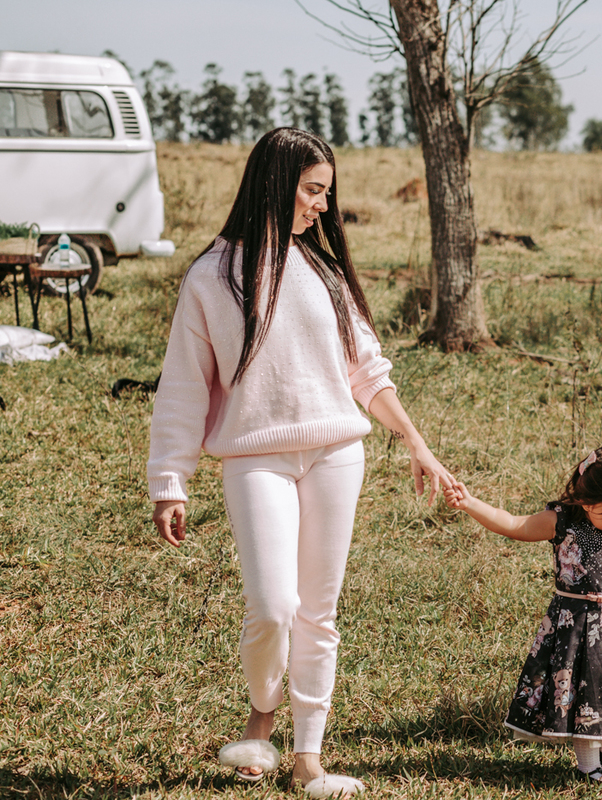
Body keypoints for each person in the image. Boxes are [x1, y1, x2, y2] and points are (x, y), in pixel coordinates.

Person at [147, 127, 455, 797]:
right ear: (276, 183)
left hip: (337, 453)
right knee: (272, 606)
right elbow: (184, 386)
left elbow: (367, 371)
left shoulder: (325, 273)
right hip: (254, 457)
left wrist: (416, 442)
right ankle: (262, 712)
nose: (323, 206)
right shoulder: (211, 276)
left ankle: (307, 756)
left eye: (327, 193)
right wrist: (170, 481)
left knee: (319, 611)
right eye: (314, 190)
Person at [443, 445, 602, 782]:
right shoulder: (561, 522)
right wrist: (469, 503)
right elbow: (513, 523)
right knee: (585, 696)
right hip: (576, 628)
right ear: (587, 500)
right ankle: (589, 767)